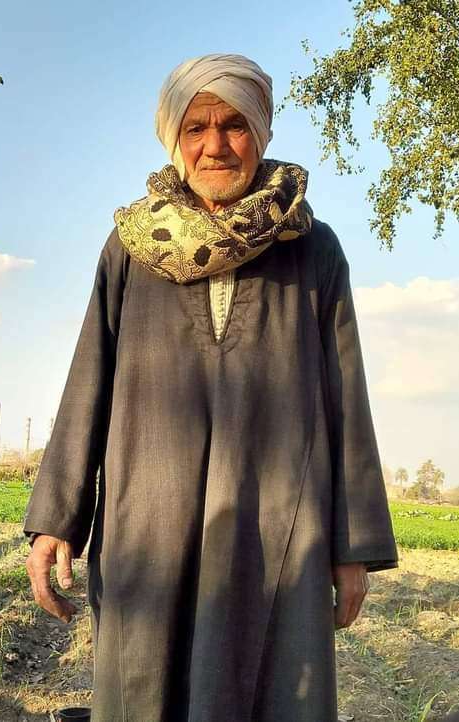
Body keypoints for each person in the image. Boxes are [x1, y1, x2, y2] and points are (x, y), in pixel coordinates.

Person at [23, 53, 398, 722]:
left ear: (261, 133)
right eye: (196, 127)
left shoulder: (312, 249)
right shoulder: (130, 247)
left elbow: (347, 399)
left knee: (274, 687)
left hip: (277, 529)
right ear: (174, 138)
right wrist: (57, 520)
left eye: (234, 125)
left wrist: (353, 547)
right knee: (144, 686)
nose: (215, 145)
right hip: (147, 519)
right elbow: (89, 379)